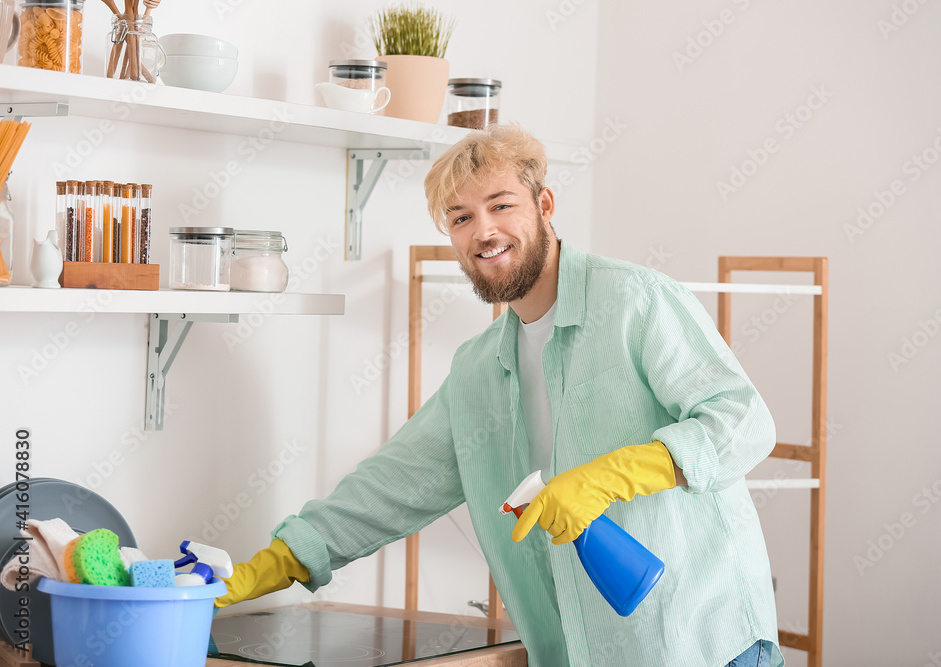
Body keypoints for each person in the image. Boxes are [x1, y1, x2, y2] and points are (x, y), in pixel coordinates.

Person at [216, 123, 784, 667]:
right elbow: (391, 487)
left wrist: (611, 476)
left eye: (501, 204)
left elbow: (743, 420)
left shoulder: (637, 302)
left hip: (704, 644)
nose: (483, 230)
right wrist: (276, 562)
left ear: (546, 205)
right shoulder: (479, 370)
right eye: (461, 217)